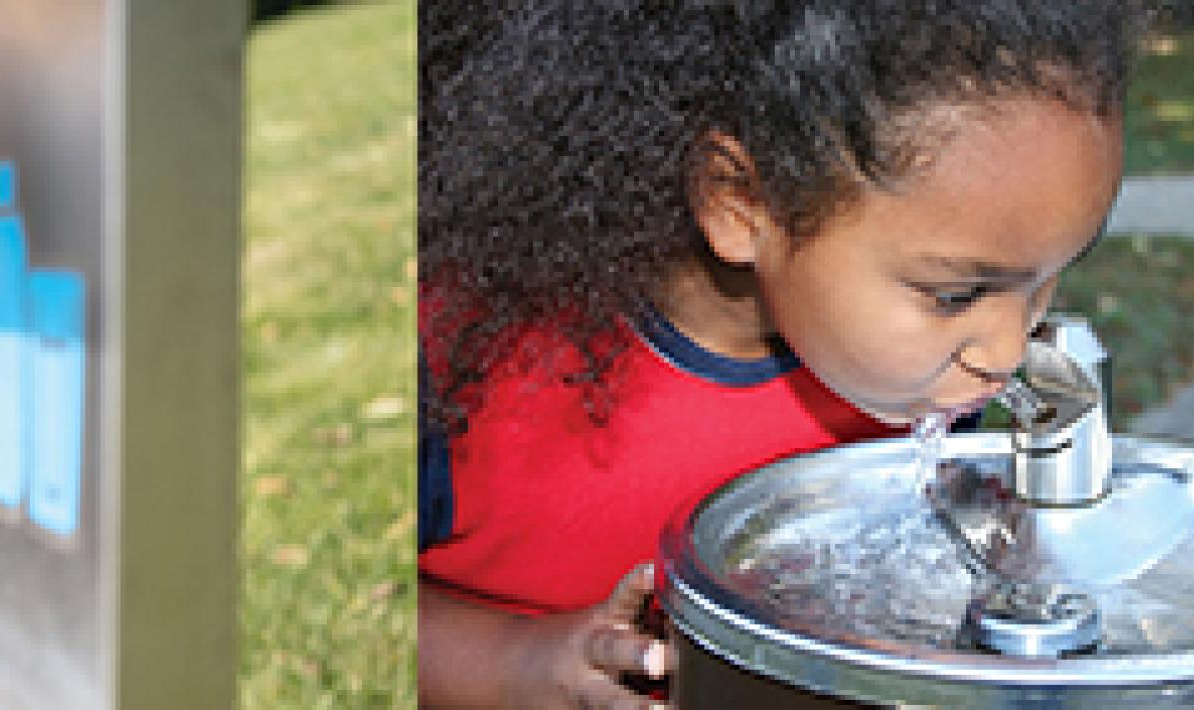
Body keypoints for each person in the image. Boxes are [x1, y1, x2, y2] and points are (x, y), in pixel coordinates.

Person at [415, 2, 1143, 707]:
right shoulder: (468, 369)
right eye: (956, 294)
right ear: (739, 204)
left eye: (1047, 281)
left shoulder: (930, 378)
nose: (1009, 350)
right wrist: (515, 666)